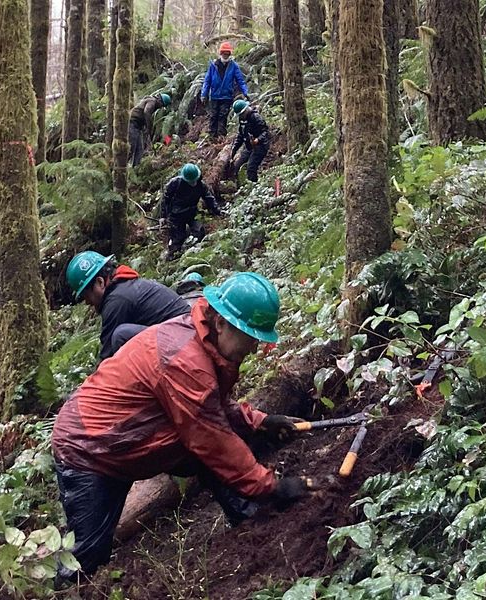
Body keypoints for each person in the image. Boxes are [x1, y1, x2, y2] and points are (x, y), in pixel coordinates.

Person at [51, 272, 313, 581]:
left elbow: (211, 408)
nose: (254, 348)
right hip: (89, 449)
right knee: (86, 555)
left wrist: (261, 421)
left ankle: (251, 517)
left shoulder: (203, 341)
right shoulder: (185, 359)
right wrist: (272, 487)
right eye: (249, 336)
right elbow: (212, 438)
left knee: (205, 455)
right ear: (221, 324)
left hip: (129, 437)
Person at [66, 251, 191, 360]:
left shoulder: (117, 300)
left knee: (121, 335)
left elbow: (107, 358)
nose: (87, 302)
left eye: (86, 295)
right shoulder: (125, 287)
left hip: (184, 343)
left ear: (100, 282)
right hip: (183, 336)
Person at [160, 163, 221, 260]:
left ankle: (194, 254)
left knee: (199, 232)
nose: (193, 183)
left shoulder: (201, 185)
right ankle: (171, 257)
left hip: (192, 213)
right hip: (176, 216)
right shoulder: (175, 183)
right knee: (177, 239)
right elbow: (165, 200)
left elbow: (208, 198)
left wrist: (217, 211)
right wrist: (163, 216)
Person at [200, 42, 249, 139]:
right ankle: (211, 137)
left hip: (227, 96)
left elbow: (240, 80)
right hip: (214, 96)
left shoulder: (233, 66)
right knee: (213, 116)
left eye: (227, 54)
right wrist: (204, 94)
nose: (225, 56)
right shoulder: (213, 66)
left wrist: (245, 92)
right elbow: (207, 81)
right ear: (220, 53)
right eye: (224, 53)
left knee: (223, 116)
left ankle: (221, 137)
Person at [226, 99, 271, 183]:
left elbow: (265, 132)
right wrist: (234, 150)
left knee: (251, 167)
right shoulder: (242, 120)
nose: (241, 116)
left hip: (261, 146)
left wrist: (258, 140)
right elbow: (241, 135)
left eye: (242, 114)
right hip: (249, 147)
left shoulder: (256, 117)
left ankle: (253, 186)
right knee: (237, 166)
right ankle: (239, 187)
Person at [129, 92, 172, 167]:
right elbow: (146, 112)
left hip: (137, 127)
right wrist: (149, 127)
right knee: (131, 148)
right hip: (132, 124)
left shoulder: (151, 101)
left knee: (139, 150)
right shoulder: (152, 101)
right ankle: (120, 168)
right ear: (160, 101)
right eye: (161, 105)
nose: (160, 107)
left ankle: (135, 169)